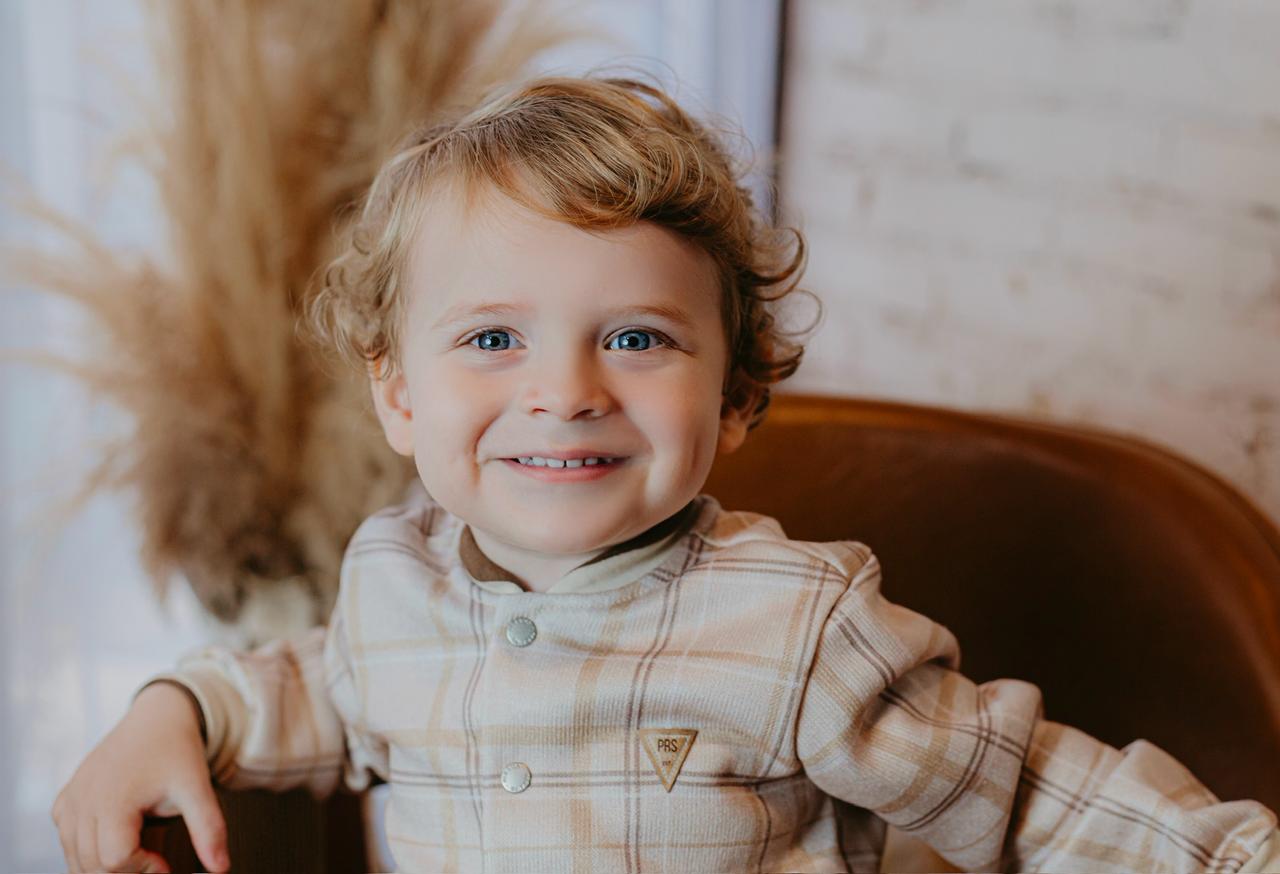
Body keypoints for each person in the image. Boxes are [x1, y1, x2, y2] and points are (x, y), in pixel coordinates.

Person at [51, 75, 1279, 874]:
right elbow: (310, 687)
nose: (565, 389)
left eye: (635, 338)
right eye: (493, 337)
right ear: (398, 392)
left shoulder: (795, 626)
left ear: (734, 395)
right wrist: (176, 708)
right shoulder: (392, 587)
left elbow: (1020, 793)